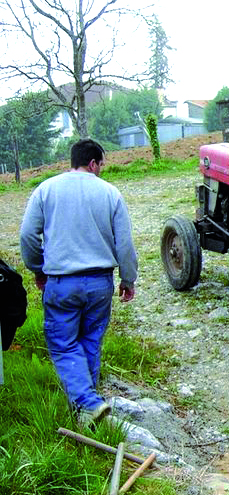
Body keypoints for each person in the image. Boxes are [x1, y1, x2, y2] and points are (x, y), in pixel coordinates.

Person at [19, 139, 137, 426]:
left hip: (62, 282)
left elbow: (27, 236)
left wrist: (38, 269)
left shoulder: (46, 190)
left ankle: (87, 402)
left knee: (62, 343)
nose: (101, 171)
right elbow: (125, 244)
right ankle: (88, 410)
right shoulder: (110, 193)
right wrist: (128, 278)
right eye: (101, 166)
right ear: (94, 163)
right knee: (90, 341)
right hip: (100, 284)